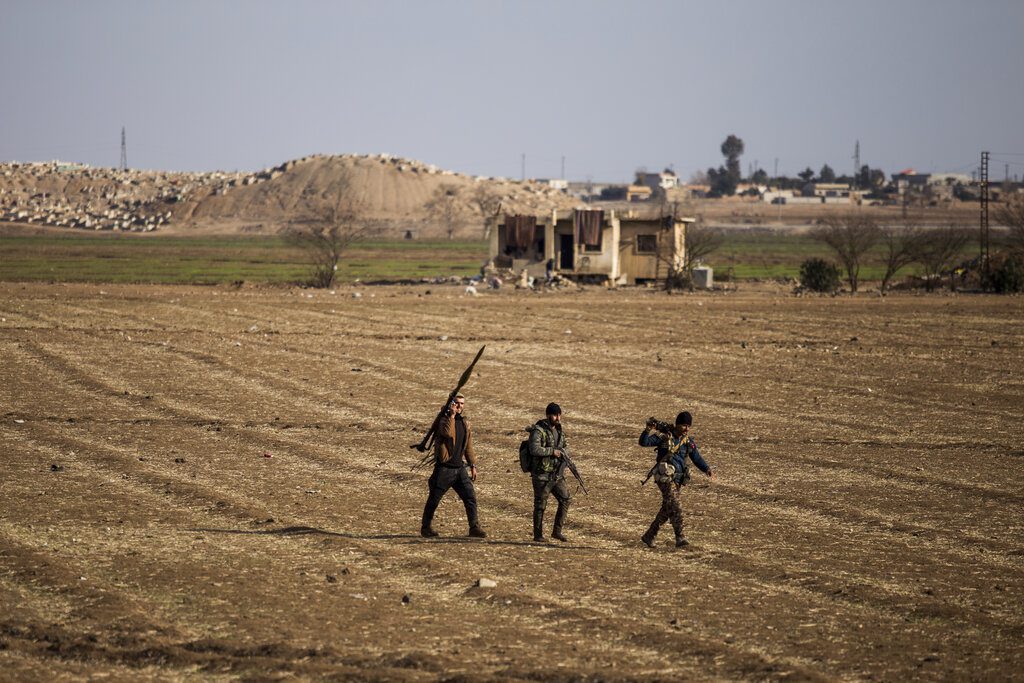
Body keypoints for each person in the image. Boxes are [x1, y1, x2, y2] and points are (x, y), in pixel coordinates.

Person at [638, 411, 713, 548]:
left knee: (667, 508)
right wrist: (647, 429)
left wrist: (706, 468)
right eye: (684, 425)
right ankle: (680, 537)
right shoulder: (665, 437)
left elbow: (696, 457)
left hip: (678, 480)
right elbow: (644, 442)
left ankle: (650, 535)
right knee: (676, 506)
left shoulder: (688, 442)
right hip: (665, 478)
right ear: (678, 424)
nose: (687, 429)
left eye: (688, 426)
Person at [420, 393, 487, 538]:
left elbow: (468, 446)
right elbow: (447, 433)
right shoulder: (443, 420)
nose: (459, 406)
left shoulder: (464, 423)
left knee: (470, 497)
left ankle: (474, 527)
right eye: (457, 403)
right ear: (451, 404)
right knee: (434, 499)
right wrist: (450, 415)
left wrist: (473, 465)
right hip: (444, 468)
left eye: (462, 404)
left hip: (459, 469)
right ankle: (426, 527)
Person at [527, 402, 572, 542]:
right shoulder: (538, 430)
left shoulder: (559, 430)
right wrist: (552, 452)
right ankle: (538, 535)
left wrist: (565, 455)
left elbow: (565, 447)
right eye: (554, 415)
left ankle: (557, 531)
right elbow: (534, 449)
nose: (558, 417)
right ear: (548, 415)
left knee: (565, 499)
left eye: (559, 415)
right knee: (540, 505)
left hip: (556, 474)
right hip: (541, 474)